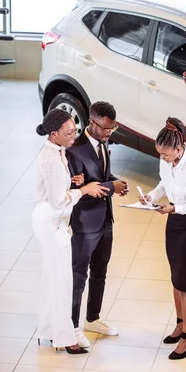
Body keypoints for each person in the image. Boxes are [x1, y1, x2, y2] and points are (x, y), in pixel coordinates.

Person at [33, 108, 109, 355]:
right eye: (69, 132)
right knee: (63, 283)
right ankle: (66, 338)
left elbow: (59, 188)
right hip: (53, 222)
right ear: (54, 134)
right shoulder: (53, 159)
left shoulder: (58, 152)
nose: (74, 135)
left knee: (53, 279)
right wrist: (84, 190)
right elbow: (57, 201)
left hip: (52, 221)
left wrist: (73, 183)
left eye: (75, 129)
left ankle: (48, 332)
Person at [139, 117, 186, 360]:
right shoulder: (167, 161)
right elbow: (164, 183)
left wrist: (174, 208)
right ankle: (181, 323)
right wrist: (150, 196)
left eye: (166, 155)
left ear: (179, 149)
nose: (162, 159)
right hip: (174, 224)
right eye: (160, 154)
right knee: (175, 278)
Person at [66, 101, 129, 348]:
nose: (108, 133)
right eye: (105, 128)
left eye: (112, 129)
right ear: (92, 123)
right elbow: (77, 188)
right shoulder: (75, 150)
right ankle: (73, 326)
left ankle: (93, 318)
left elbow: (100, 177)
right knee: (79, 275)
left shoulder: (104, 145)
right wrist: (110, 187)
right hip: (84, 222)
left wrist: (116, 182)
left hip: (105, 219)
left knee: (100, 272)